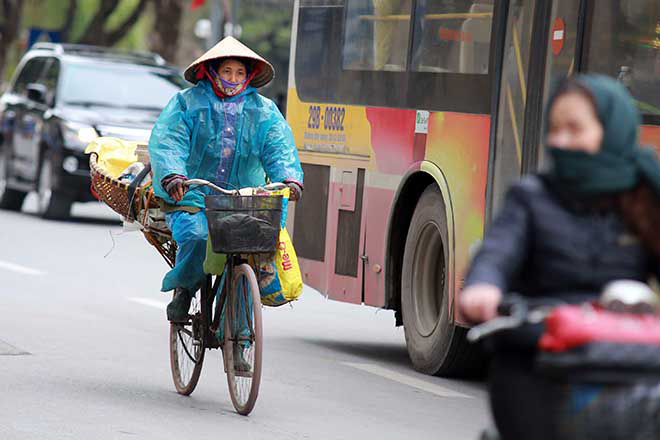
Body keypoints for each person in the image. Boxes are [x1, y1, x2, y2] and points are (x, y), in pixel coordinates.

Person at [458, 74, 660, 439]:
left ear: (611, 131)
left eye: (574, 128)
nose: (560, 140)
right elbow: (498, 251)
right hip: (536, 359)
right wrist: (484, 286)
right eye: (555, 129)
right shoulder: (530, 197)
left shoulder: (642, 200)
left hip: (623, 360)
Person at [148, 36, 304, 323]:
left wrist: (289, 178)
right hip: (193, 196)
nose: (233, 78)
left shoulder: (264, 110)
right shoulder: (186, 103)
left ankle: (240, 339)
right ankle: (185, 289)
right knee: (198, 237)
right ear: (213, 72)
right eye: (227, 71)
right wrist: (173, 176)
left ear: (249, 76)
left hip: (245, 200)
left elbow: (279, 147)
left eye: (240, 73)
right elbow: (170, 142)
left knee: (250, 258)